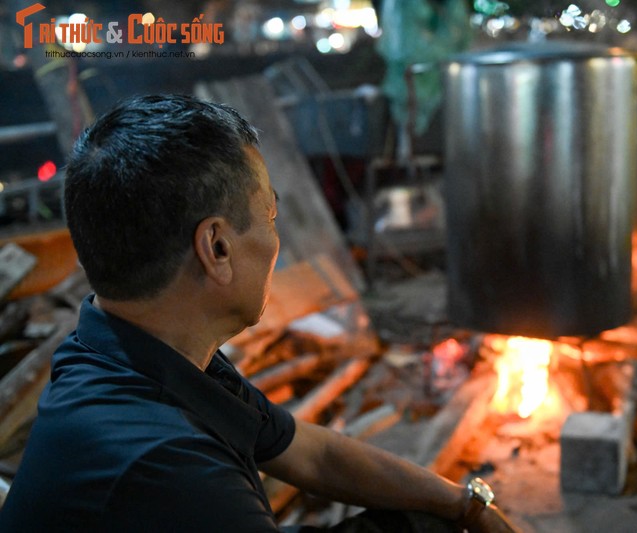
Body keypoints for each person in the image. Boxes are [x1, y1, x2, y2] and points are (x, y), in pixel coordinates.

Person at [0, 94, 520, 533]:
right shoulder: (167, 465)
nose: (278, 238)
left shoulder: (128, 348)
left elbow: (310, 452)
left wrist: (463, 503)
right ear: (217, 248)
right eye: (269, 214)